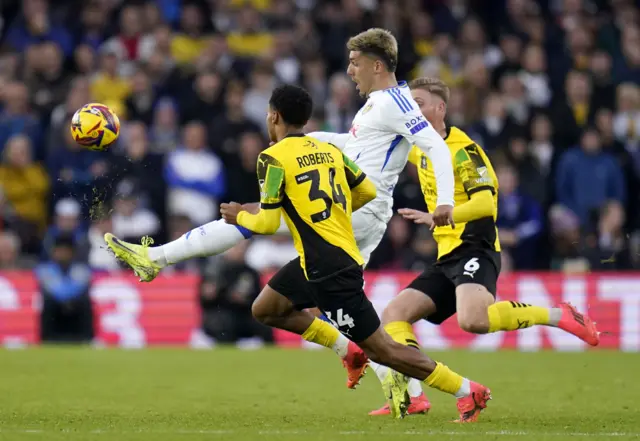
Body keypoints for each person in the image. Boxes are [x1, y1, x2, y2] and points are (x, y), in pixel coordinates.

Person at [218, 84, 487, 421]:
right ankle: (349, 352)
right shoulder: (327, 150)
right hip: (319, 259)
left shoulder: (271, 158)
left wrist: (238, 216)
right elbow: (366, 189)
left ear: (273, 116)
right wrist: (334, 214)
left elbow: (269, 223)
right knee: (267, 307)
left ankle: (468, 390)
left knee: (385, 350)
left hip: (330, 269)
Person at [364, 77, 600, 417]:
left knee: (472, 320)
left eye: (419, 103)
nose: (412, 110)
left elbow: (487, 204)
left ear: (440, 108)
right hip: (446, 254)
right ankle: (410, 396)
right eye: (409, 104)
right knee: (394, 315)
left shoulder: (465, 150)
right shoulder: (419, 148)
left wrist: (443, 215)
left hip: (476, 245)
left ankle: (559, 315)